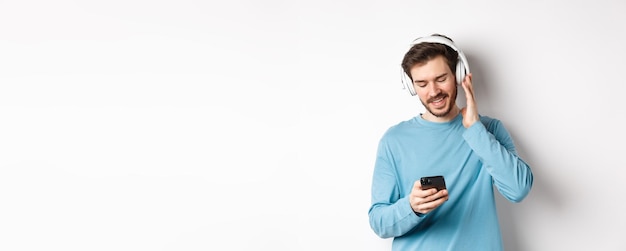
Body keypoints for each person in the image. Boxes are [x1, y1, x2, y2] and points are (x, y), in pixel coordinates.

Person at [368, 34, 533, 250]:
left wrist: (475, 129)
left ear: (458, 74)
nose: (433, 91)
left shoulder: (488, 130)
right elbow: (379, 222)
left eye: (441, 79)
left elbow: (518, 189)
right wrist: (411, 206)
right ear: (412, 87)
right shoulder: (394, 140)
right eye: (422, 84)